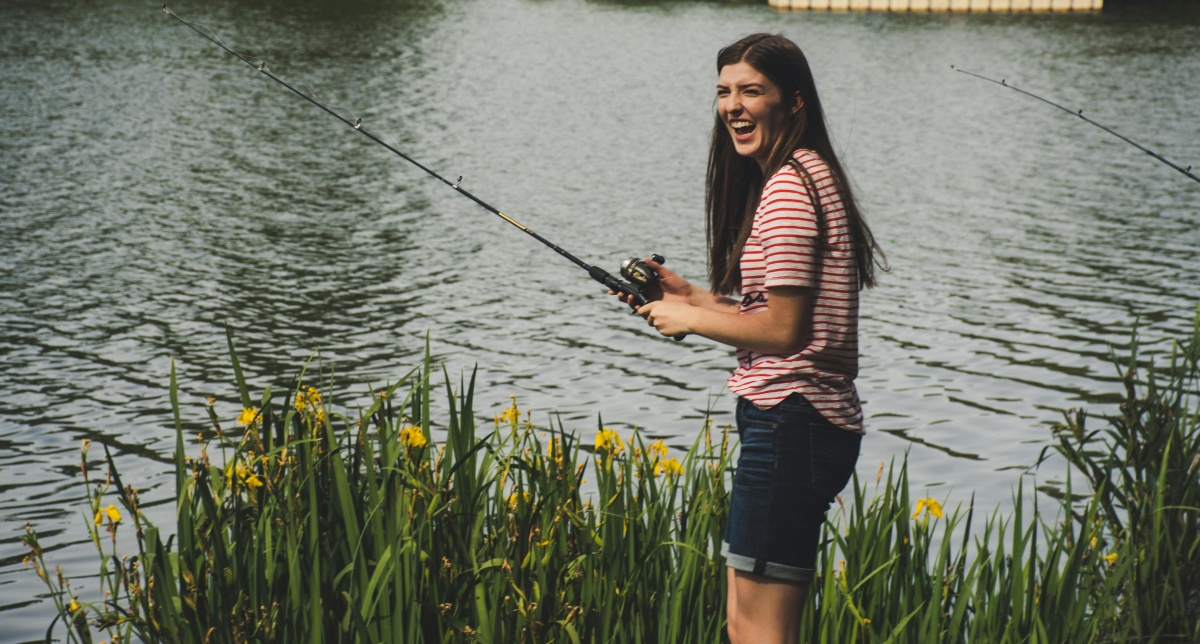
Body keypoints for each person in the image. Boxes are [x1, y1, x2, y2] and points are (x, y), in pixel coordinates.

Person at [621, 33, 884, 643]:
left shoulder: (789, 189)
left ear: (794, 102)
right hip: (799, 421)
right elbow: (773, 310)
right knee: (745, 624)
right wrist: (692, 297)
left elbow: (784, 332)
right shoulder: (809, 174)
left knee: (759, 633)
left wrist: (687, 321)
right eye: (723, 92)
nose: (733, 105)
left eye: (751, 91)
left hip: (792, 420)